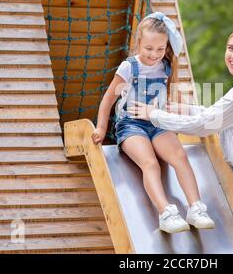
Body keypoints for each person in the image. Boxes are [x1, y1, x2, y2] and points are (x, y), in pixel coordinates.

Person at [128, 26, 233, 253]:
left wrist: (153, 115)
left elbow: (205, 125)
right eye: (230, 48)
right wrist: (176, 108)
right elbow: (214, 115)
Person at [91, 12, 215, 234]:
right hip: (131, 125)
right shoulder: (129, 67)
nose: (154, 54)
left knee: (179, 156)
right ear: (138, 42)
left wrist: (187, 116)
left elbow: (172, 97)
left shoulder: (165, 66)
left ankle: (195, 207)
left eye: (160, 49)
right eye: (149, 48)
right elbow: (109, 98)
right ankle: (166, 212)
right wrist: (100, 127)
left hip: (157, 122)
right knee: (150, 163)